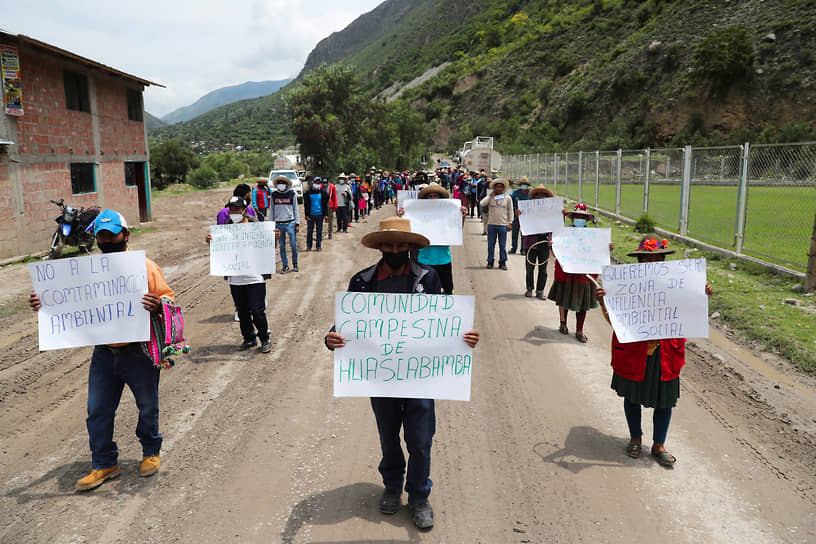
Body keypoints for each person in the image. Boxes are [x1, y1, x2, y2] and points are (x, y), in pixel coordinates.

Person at [324, 217, 480, 530]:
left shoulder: (429, 278)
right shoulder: (362, 282)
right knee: (388, 436)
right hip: (380, 377)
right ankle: (392, 486)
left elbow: (442, 322)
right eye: (389, 244)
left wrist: (464, 338)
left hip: (421, 377)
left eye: (401, 244)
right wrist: (332, 338)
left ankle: (420, 496)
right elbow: (347, 326)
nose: (394, 249)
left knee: (421, 439)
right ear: (380, 247)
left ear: (410, 247)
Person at [29, 209, 174, 491]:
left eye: (112, 235)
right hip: (104, 353)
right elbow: (67, 300)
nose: (107, 241)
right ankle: (104, 463)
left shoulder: (145, 267)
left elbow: (168, 298)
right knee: (97, 410)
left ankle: (150, 451)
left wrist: (158, 305)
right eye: (101, 237)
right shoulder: (85, 272)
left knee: (147, 406)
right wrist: (43, 303)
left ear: (125, 235)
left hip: (139, 352)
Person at [596, 237, 713, 467]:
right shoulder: (628, 287)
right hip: (634, 352)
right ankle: (636, 438)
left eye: (657, 259)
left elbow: (691, 312)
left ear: (664, 261)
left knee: (665, 401)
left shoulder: (678, 285)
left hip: (666, 352)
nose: (652, 263)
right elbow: (615, 321)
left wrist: (702, 294)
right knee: (632, 397)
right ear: (639, 262)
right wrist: (604, 302)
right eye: (646, 260)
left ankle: (659, 444)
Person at [206, 196, 273, 353]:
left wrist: (274, 239)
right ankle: (249, 338)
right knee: (242, 311)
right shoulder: (226, 229)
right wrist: (211, 242)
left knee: (257, 310)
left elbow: (268, 248)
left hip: (255, 277)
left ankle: (265, 338)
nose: (234, 212)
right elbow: (221, 252)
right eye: (232, 209)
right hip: (236, 279)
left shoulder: (256, 227)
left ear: (244, 211)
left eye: (237, 209)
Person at [547, 203, 611, 343]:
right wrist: (553, 246)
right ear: (573, 218)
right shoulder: (564, 233)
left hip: (584, 273)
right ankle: (563, 322)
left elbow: (599, 252)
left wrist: (607, 248)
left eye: (582, 217)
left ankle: (579, 329)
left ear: (586, 220)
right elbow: (556, 253)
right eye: (577, 216)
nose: (579, 219)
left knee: (583, 303)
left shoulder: (594, 236)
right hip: (567, 271)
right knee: (564, 297)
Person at [396, 182, 467, 294]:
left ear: (440, 197)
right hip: (424, 259)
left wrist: (461, 216)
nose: (433, 198)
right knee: (425, 290)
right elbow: (407, 231)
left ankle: (444, 311)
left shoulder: (447, 213)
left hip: (443, 259)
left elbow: (456, 230)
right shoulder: (418, 214)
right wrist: (402, 216)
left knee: (448, 290)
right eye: (430, 196)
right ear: (426, 198)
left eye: (436, 196)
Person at [517, 185, 554, 299]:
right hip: (530, 242)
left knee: (543, 269)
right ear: (534, 198)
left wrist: (551, 240)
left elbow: (556, 227)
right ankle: (529, 289)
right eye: (538, 195)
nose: (541, 198)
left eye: (544, 196)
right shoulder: (527, 210)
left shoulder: (551, 212)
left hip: (544, 242)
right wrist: (519, 217)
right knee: (530, 267)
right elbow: (521, 226)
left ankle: (540, 291)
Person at [480, 178, 514, 270]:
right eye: (497, 186)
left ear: (503, 188)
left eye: (501, 186)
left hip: (503, 225)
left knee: (502, 245)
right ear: (494, 188)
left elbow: (510, 211)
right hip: (491, 224)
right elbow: (482, 204)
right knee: (491, 244)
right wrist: (489, 196)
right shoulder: (490, 197)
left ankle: (502, 262)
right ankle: (490, 261)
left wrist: (510, 222)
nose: (499, 188)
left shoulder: (507, 198)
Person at [270, 175, 300, 273]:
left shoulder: (292, 194)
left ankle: (295, 264)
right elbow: (271, 210)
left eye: (282, 183)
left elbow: (296, 209)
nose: (281, 185)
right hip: (279, 224)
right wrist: (271, 224)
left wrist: (297, 223)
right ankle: (285, 265)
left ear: (286, 184)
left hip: (290, 222)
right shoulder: (274, 195)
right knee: (282, 246)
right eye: (279, 183)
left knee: (293, 245)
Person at [303, 177, 328, 251]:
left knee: (319, 231)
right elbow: (306, 205)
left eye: (319, 183)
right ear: (313, 182)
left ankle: (318, 246)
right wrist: (306, 215)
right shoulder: (308, 193)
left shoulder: (323, 193)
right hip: (311, 215)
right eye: (316, 182)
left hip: (320, 214)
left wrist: (326, 215)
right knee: (310, 231)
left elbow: (325, 204)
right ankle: (309, 246)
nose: (317, 184)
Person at [510, 176, 532, 254]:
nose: (524, 186)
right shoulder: (515, 193)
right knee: (514, 234)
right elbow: (510, 203)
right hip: (516, 216)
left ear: (528, 185)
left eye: (525, 184)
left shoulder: (531, 194)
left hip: (526, 217)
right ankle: (513, 248)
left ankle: (523, 249)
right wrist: (514, 211)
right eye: (522, 184)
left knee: (524, 234)